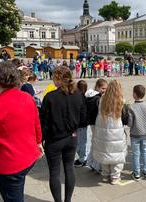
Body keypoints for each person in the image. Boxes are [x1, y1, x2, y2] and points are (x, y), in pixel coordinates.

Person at [0, 61, 42, 202]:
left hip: (11, 162)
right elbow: (37, 126)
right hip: (29, 156)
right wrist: (38, 143)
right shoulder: (27, 97)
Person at [40, 66, 87, 202]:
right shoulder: (78, 94)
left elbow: (43, 121)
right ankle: (67, 200)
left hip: (54, 140)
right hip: (71, 138)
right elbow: (83, 119)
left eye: (54, 77)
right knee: (69, 168)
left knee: (55, 172)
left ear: (58, 78)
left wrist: (42, 139)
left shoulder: (50, 97)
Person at [92, 80, 128, 185]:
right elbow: (124, 116)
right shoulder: (120, 100)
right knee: (117, 155)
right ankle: (115, 177)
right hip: (116, 131)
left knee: (105, 152)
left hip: (103, 130)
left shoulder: (102, 99)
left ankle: (105, 174)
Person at [128, 85, 146, 181]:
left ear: (134, 94)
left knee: (136, 153)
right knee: (144, 152)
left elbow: (130, 123)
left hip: (135, 133)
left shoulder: (131, 107)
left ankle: (136, 173)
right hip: (145, 133)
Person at [85, 79, 108, 172]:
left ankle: (92, 162)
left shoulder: (90, 96)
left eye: (106, 89)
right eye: (103, 88)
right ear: (97, 87)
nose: (105, 90)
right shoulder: (97, 98)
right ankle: (96, 165)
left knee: (94, 143)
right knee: (98, 144)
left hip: (92, 123)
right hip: (96, 123)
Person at [74, 80, 88, 167]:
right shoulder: (83, 97)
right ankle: (82, 158)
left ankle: (82, 159)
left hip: (79, 123)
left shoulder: (78, 97)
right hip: (82, 123)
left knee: (81, 142)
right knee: (82, 141)